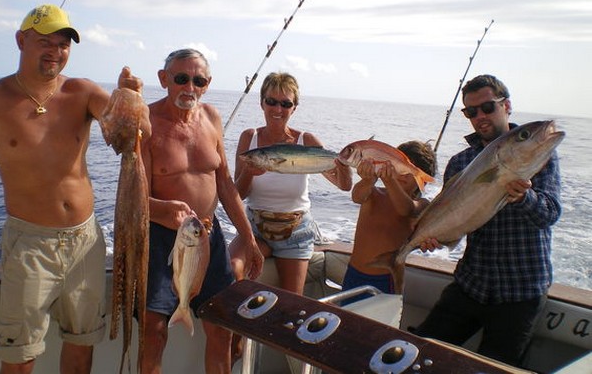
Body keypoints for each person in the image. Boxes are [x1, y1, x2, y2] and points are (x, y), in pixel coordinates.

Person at [0, 4, 148, 374]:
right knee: (20, 356)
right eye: (44, 41)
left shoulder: (82, 91)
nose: (55, 51)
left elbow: (131, 137)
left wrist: (131, 101)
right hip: (30, 245)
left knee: (82, 345)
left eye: (63, 44)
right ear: (20, 40)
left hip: (86, 242)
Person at [413, 74, 562, 367]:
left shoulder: (540, 155)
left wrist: (524, 198)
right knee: (419, 357)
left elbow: (550, 214)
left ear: (506, 105)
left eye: (487, 107)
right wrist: (433, 239)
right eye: (471, 111)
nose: (480, 116)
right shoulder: (459, 162)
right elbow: (452, 223)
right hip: (471, 283)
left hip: (520, 292)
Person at [139, 48, 264, 374]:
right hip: (160, 239)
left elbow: (224, 183)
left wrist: (248, 239)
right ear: (163, 79)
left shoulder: (212, 118)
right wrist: (163, 209)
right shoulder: (147, 123)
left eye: (199, 80)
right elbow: (133, 197)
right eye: (181, 79)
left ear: (207, 84)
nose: (189, 87)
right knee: (153, 332)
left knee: (221, 327)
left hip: (209, 236)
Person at [229, 72, 352, 295]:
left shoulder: (307, 141)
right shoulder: (250, 138)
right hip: (256, 229)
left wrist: (346, 165)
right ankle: (237, 330)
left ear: (294, 107)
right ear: (261, 103)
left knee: (291, 304)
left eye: (286, 103)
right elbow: (238, 194)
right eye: (271, 101)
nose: (278, 109)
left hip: (296, 233)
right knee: (231, 270)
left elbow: (344, 186)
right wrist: (249, 172)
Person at [342, 141, 436, 298]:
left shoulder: (421, 204)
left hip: (387, 280)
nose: (404, 175)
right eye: (399, 168)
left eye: (410, 171)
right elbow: (357, 196)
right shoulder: (375, 193)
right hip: (353, 274)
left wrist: (389, 179)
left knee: (382, 321)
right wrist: (368, 180)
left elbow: (405, 210)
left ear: (422, 180)